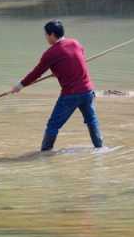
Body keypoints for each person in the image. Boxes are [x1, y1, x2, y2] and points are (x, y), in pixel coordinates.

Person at [11, 20, 104, 151]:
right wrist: (58, 70)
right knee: (92, 120)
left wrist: (19, 86)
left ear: (52, 35)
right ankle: (100, 148)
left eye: (46, 35)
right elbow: (77, 58)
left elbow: (36, 73)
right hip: (88, 91)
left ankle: (45, 153)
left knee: (53, 125)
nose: (46, 38)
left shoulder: (50, 53)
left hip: (70, 94)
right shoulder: (75, 43)